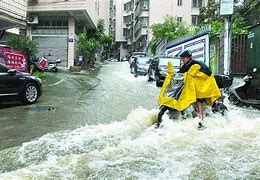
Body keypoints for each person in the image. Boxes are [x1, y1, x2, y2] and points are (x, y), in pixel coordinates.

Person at [178, 49, 216, 129]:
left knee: (199, 100)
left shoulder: (195, 64)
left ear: (189, 58)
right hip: (198, 84)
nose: (182, 60)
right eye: (182, 58)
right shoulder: (186, 64)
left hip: (204, 84)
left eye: (184, 58)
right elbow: (180, 73)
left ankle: (201, 119)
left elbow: (204, 74)